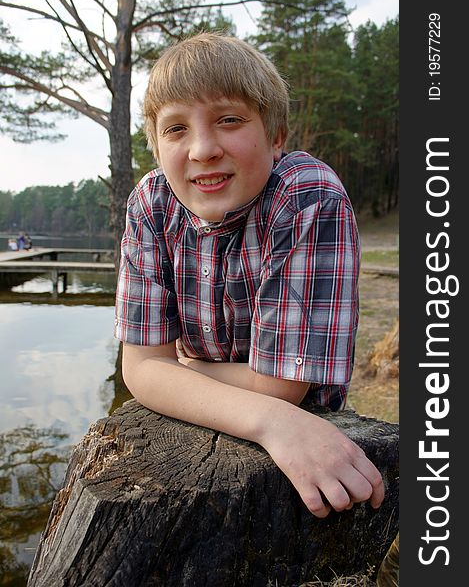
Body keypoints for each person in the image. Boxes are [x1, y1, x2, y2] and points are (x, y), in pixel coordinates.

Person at [114, 32, 384, 518]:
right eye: (176, 129)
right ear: (156, 148)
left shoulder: (307, 198)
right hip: (205, 433)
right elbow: (139, 368)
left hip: (311, 428)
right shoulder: (151, 203)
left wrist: (181, 371)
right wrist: (162, 371)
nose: (202, 149)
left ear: (275, 135)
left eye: (229, 120)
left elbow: (284, 388)